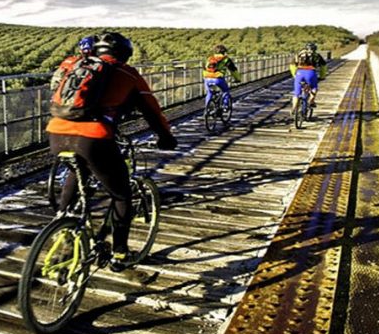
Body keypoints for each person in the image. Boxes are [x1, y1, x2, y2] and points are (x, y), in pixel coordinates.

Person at [46, 31, 177, 271]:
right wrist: (166, 138)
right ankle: (119, 253)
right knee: (121, 194)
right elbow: (152, 111)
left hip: (56, 133)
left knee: (79, 170)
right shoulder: (127, 72)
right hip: (94, 137)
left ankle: (62, 224)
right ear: (125, 54)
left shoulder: (75, 64)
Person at [290, 42, 327, 114]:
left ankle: (294, 108)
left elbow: (292, 65)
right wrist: (322, 76)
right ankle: (311, 101)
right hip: (311, 73)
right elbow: (323, 66)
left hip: (299, 73)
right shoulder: (317, 55)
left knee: (296, 93)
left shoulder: (300, 54)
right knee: (314, 87)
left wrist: (295, 75)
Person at [202, 44, 241, 111]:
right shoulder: (226, 59)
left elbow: (204, 67)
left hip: (207, 78)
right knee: (225, 90)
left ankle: (207, 108)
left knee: (210, 92)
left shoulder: (209, 58)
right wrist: (237, 79)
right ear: (224, 52)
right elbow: (233, 70)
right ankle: (225, 106)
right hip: (218, 78)